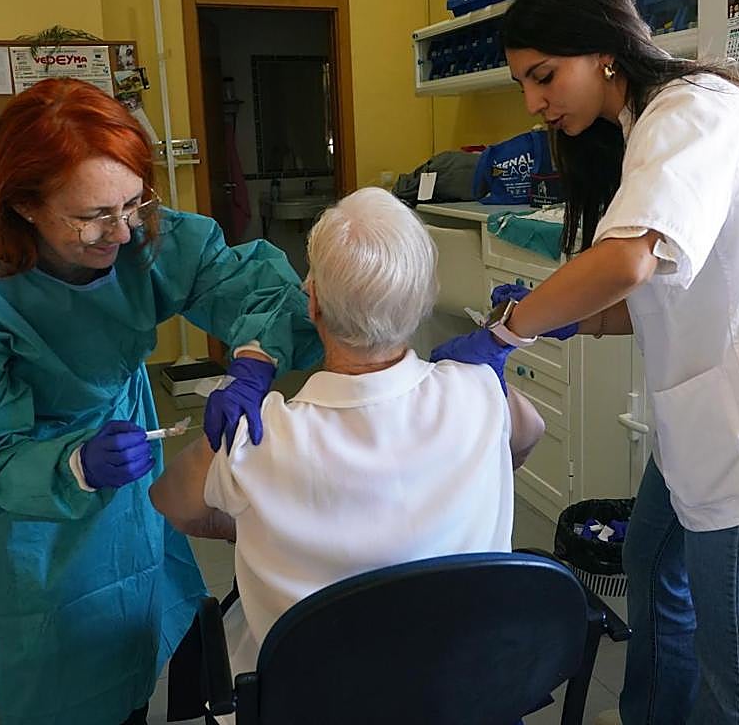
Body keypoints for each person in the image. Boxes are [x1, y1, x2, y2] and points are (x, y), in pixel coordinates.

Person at [430, 0, 739, 725]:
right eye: (523, 86)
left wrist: (512, 328)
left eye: (543, 76)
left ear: (601, 48)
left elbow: (630, 260)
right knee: (652, 561)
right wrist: (575, 314)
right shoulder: (642, 130)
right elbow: (662, 293)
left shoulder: (691, 114)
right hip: (704, 423)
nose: (534, 104)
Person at [0, 78, 321, 725]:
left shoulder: (136, 229)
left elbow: (242, 282)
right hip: (36, 495)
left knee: (164, 606)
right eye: (93, 216)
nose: (123, 236)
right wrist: (73, 466)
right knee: (69, 668)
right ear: (23, 206)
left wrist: (254, 359)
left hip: (130, 457)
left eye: (134, 203)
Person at [148, 187, 546, 692]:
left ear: (310, 302)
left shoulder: (256, 436)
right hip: (465, 691)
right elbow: (528, 434)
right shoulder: (478, 393)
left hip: (314, 699)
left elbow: (171, 501)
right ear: (425, 302)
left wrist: (258, 518)